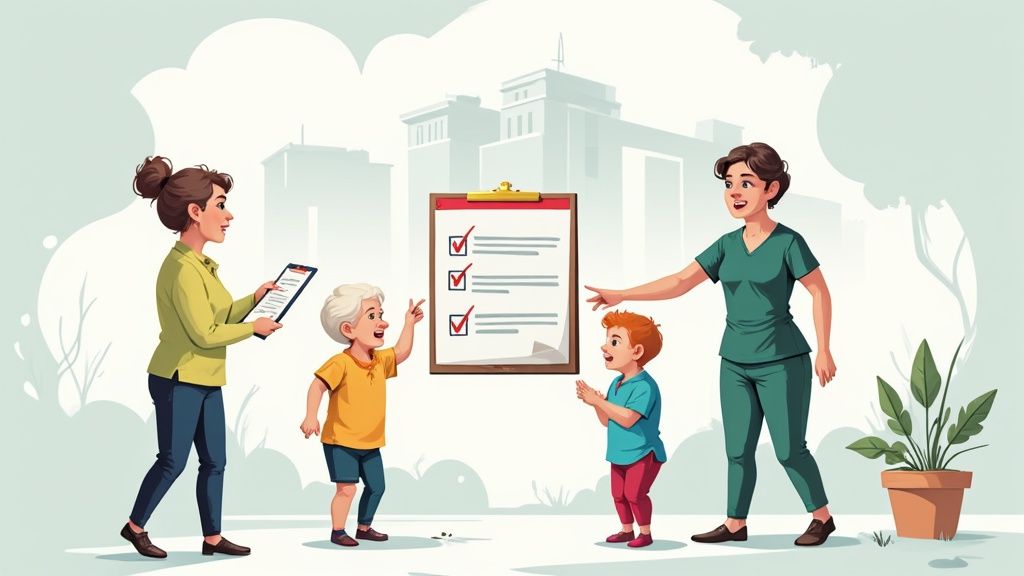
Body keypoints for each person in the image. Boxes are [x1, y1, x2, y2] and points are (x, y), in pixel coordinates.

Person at [586, 142, 838, 546]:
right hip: (735, 360)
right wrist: (624, 294)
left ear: (771, 190)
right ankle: (735, 523)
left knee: (789, 449)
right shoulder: (726, 245)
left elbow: (819, 291)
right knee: (737, 449)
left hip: (782, 360)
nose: (735, 192)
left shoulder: (789, 243)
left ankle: (821, 517)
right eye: (729, 184)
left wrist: (824, 348)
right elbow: (680, 282)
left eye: (746, 183)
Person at [121, 156, 282, 558]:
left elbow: (218, 316)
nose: (229, 215)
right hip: (178, 378)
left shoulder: (201, 266)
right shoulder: (181, 270)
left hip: (207, 377)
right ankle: (135, 526)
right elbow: (205, 333)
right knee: (173, 461)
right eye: (221, 205)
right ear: (195, 212)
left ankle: (212, 537)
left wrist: (254, 300)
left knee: (215, 461)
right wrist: (253, 328)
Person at [300, 284, 425, 547]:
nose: (383, 323)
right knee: (347, 489)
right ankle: (337, 532)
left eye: (381, 314)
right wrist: (311, 416)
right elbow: (317, 386)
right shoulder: (340, 363)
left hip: (370, 442)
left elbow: (401, 352)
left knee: (377, 486)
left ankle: (364, 527)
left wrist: (409, 322)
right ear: (348, 329)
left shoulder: (379, 361)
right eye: (372, 316)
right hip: (341, 442)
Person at [576, 310, 667, 549]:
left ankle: (645, 533)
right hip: (619, 453)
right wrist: (596, 404)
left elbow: (628, 419)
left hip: (642, 452)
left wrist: (599, 402)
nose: (604, 347)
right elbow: (608, 421)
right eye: (607, 340)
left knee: (635, 494)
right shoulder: (616, 384)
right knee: (618, 494)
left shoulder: (645, 386)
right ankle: (627, 530)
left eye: (614, 341)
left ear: (636, 351)